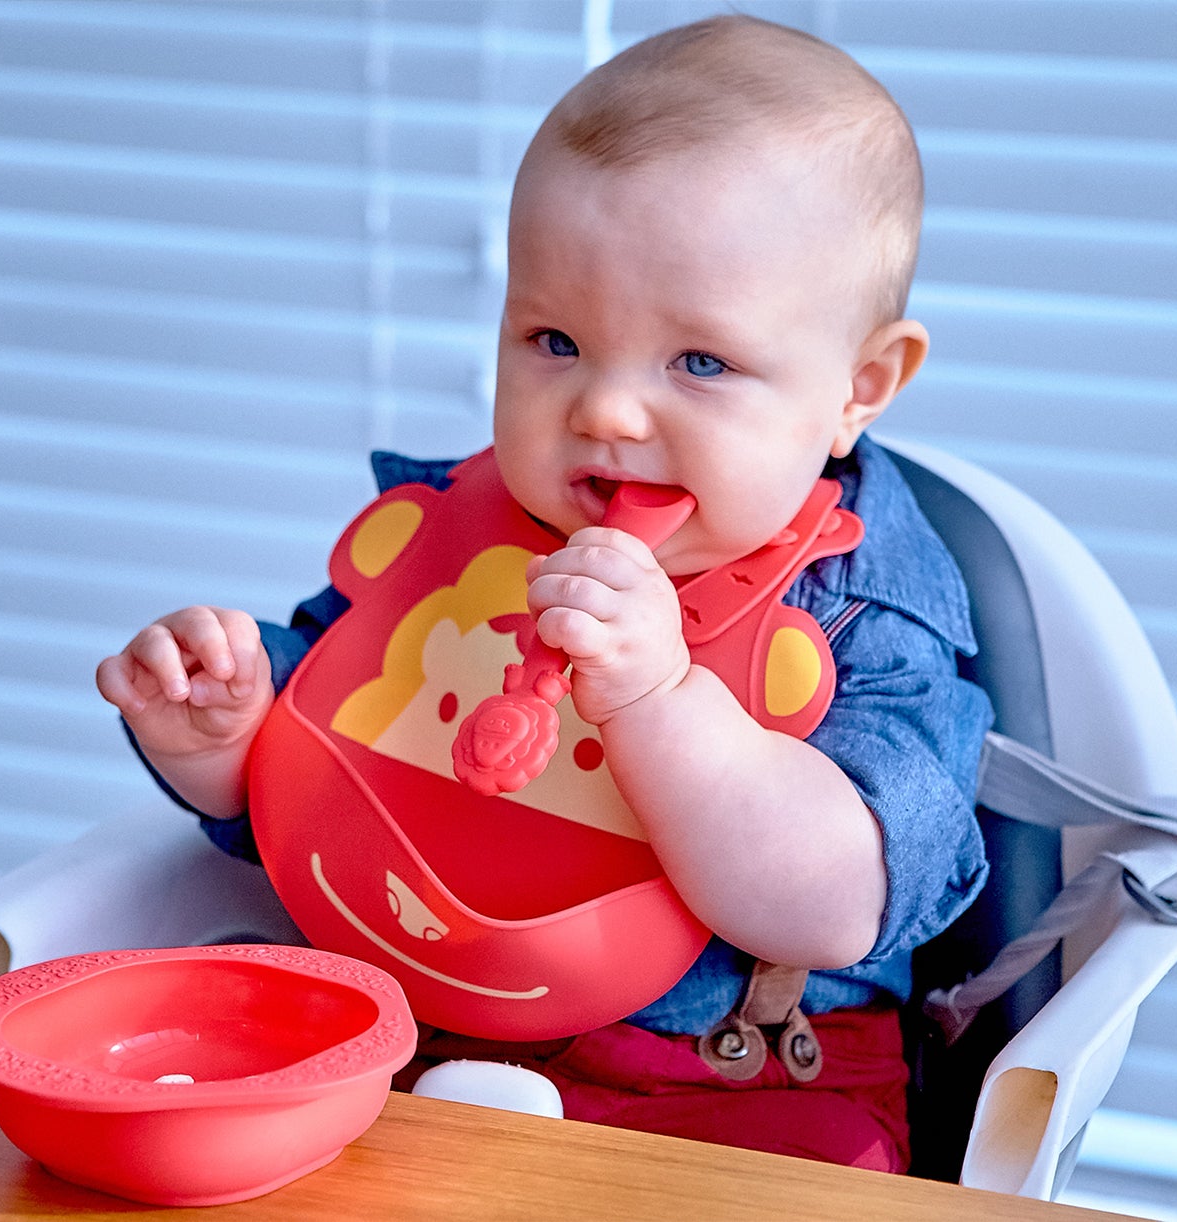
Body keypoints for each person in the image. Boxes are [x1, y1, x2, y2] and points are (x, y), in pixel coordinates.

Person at [97, 14, 992, 1173]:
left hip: (733, 1094)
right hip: (425, 1045)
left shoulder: (865, 610)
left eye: (700, 362)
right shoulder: (466, 540)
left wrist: (660, 694)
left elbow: (835, 902)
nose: (607, 411)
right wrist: (221, 728)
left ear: (859, 388)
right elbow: (316, 782)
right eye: (556, 339)